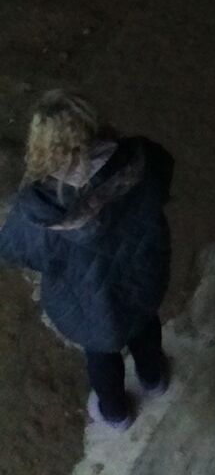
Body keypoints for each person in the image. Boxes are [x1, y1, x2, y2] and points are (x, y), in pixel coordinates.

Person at [0, 90, 174, 430]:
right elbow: (163, 176)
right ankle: (154, 379)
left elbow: (12, 250)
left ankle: (116, 414)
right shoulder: (139, 157)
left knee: (102, 353)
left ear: (41, 146)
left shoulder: (38, 209)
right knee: (145, 326)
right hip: (143, 275)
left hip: (88, 303)